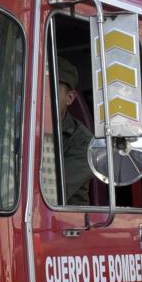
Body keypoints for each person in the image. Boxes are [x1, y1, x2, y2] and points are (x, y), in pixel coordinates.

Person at [54, 60, 96, 207]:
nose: (42, 95)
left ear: (70, 98)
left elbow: (51, 193)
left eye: (51, 87)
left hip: (66, 226)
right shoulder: (18, 129)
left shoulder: (85, 143)